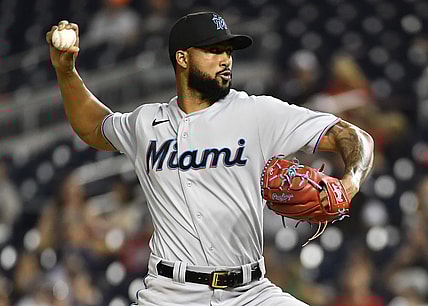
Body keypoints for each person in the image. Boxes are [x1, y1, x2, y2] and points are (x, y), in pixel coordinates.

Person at [46, 11, 374, 306]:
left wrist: (350, 182)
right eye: (213, 50)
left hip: (250, 292)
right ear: (183, 58)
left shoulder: (258, 112)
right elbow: (93, 126)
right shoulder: (147, 124)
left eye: (228, 52)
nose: (225, 60)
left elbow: (354, 137)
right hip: (170, 294)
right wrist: (66, 72)